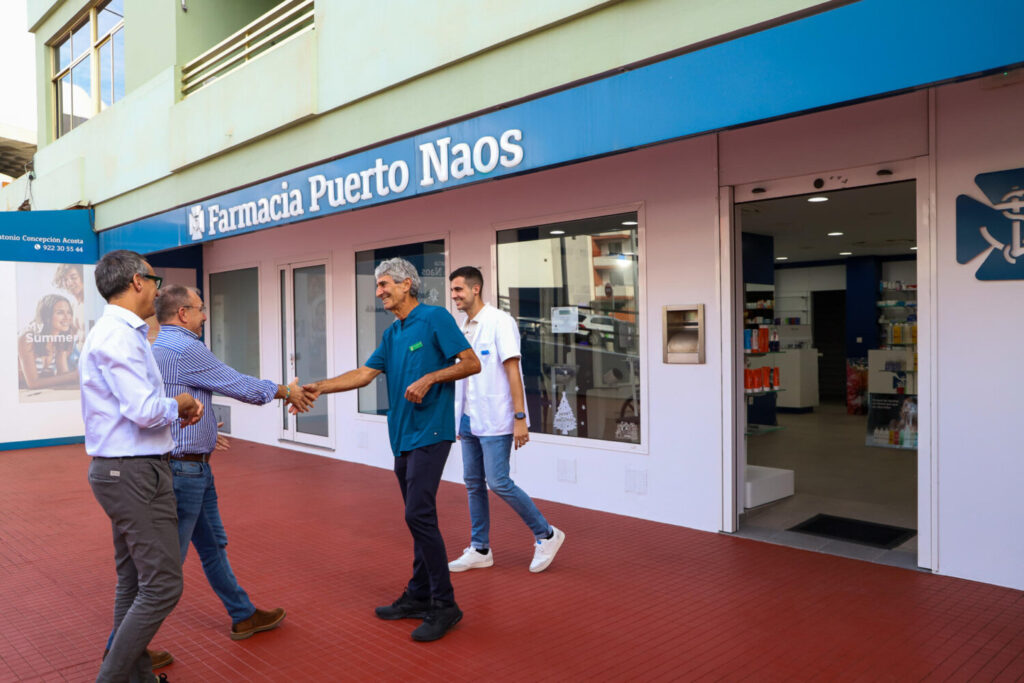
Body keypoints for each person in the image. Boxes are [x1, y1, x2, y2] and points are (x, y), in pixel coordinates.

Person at [302, 257, 480, 642]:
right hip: (401, 436)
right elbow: (364, 374)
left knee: (419, 513)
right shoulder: (394, 332)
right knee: (416, 516)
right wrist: (319, 387)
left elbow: (470, 363)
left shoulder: (435, 319)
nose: (379, 292)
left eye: (384, 285)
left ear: (406, 285)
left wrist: (431, 377)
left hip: (431, 433)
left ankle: (444, 605)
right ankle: (418, 595)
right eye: (378, 286)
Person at [80, 250, 204, 683]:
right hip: (133, 473)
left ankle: (138, 677)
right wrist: (181, 403)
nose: (157, 289)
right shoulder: (118, 336)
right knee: (164, 585)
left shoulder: (122, 332)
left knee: (132, 581)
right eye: (154, 280)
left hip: (124, 469)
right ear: (137, 281)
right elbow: (143, 409)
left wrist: (172, 411)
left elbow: (141, 409)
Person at [447, 266, 565, 573]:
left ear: (475, 289)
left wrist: (520, 418)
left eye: (458, 289)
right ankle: (480, 548)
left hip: (496, 416)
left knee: (498, 481)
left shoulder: (500, 321)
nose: (454, 296)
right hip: (469, 418)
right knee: (473, 484)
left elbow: (513, 370)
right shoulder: (465, 326)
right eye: (452, 290)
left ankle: (547, 533)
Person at [18, 293, 79, 390]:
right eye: (60, 312)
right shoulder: (27, 338)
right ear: (47, 315)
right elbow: (33, 383)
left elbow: (63, 375)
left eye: (69, 312)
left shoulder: (61, 339)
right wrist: (72, 376)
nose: (67, 317)